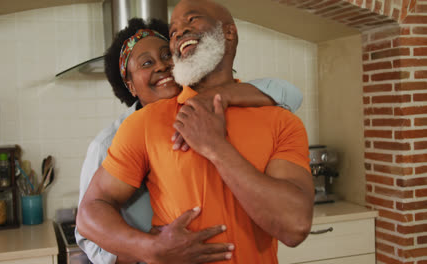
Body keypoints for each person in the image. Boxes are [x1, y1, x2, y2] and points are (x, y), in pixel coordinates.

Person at [77, 1, 313, 262]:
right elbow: (88, 215)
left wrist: (215, 146)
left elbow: (295, 227)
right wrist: (151, 249)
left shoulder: (281, 120)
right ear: (131, 85)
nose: (179, 33)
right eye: (174, 31)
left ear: (229, 33)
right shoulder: (140, 125)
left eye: (191, 20)